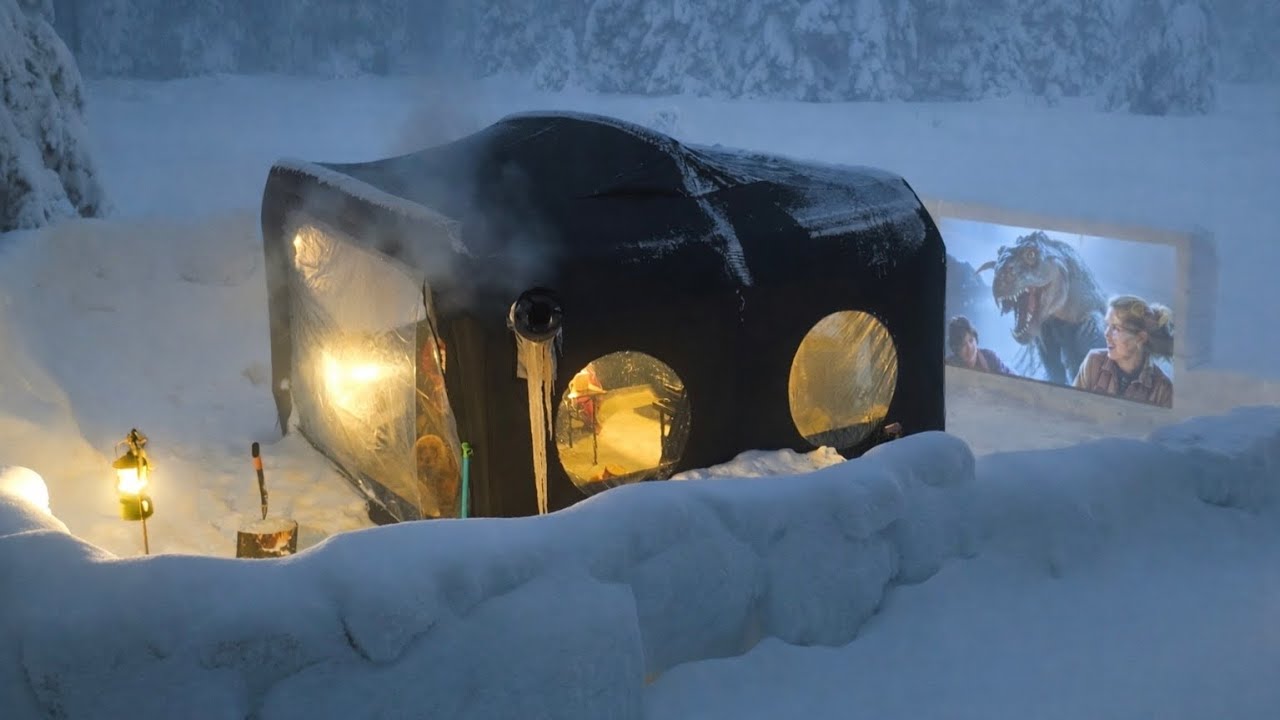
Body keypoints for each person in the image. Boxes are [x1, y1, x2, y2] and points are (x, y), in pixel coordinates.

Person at [1073, 295, 1174, 408]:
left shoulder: (1163, 389)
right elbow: (1072, 408)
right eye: (1107, 325)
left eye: (1116, 328)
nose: (1106, 334)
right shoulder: (1093, 362)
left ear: (1140, 338)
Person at [945, 316, 1012, 374]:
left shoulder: (990, 358)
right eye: (963, 344)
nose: (969, 347)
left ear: (976, 339)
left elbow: (1011, 378)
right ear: (956, 348)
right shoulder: (947, 365)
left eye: (971, 340)